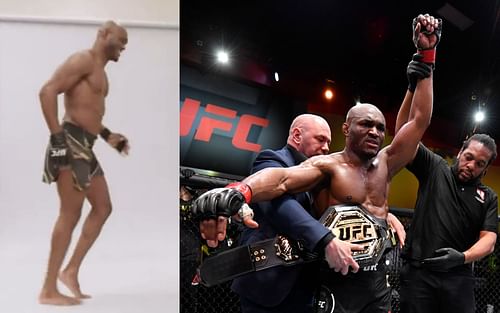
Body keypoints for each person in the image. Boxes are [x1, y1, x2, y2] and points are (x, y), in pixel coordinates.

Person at [193, 14, 440, 313]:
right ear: (347, 130)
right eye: (366, 125)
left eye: (379, 127)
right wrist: (241, 192)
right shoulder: (327, 165)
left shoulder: (386, 163)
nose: (375, 132)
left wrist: (426, 58)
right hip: (331, 280)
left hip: (375, 283)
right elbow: (281, 180)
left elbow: (419, 120)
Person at [38, 20, 129, 306]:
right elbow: (48, 91)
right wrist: (57, 139)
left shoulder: (101, 73)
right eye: (120, 40)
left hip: (86, 147)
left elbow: (88, 114)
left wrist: (107, 135)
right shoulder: (83, 60)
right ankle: (48, 289)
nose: (122, 47)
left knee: (103, 207)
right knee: (70, 213)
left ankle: (71, 270)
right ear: (103, 34)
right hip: (70, 142)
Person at [395, 111, 498, 311]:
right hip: (420, 274)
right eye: (469, 157)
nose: (471, 166)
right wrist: (412, 88)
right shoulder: (435, 168)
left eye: (480, 164)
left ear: (485, 170)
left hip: (459, 277)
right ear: (460, 152)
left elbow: (489, 240)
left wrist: (461, 257)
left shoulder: (488, 197)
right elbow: (403, 135)